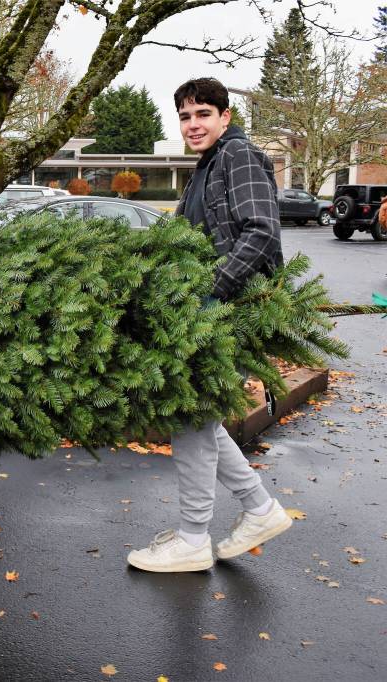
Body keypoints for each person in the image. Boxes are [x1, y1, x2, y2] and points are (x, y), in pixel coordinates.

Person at [127, 78, 293, 572]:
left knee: (190, 415)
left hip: (230, 311)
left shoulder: (239, 157)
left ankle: (194, 539)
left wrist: (209, 292)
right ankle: (260, 509)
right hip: (212, 309)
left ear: (225, 117)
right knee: (199, 416)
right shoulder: (208, 166)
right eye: (184, 116)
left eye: (203, 113)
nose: (193, 124)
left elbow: (260, 230)